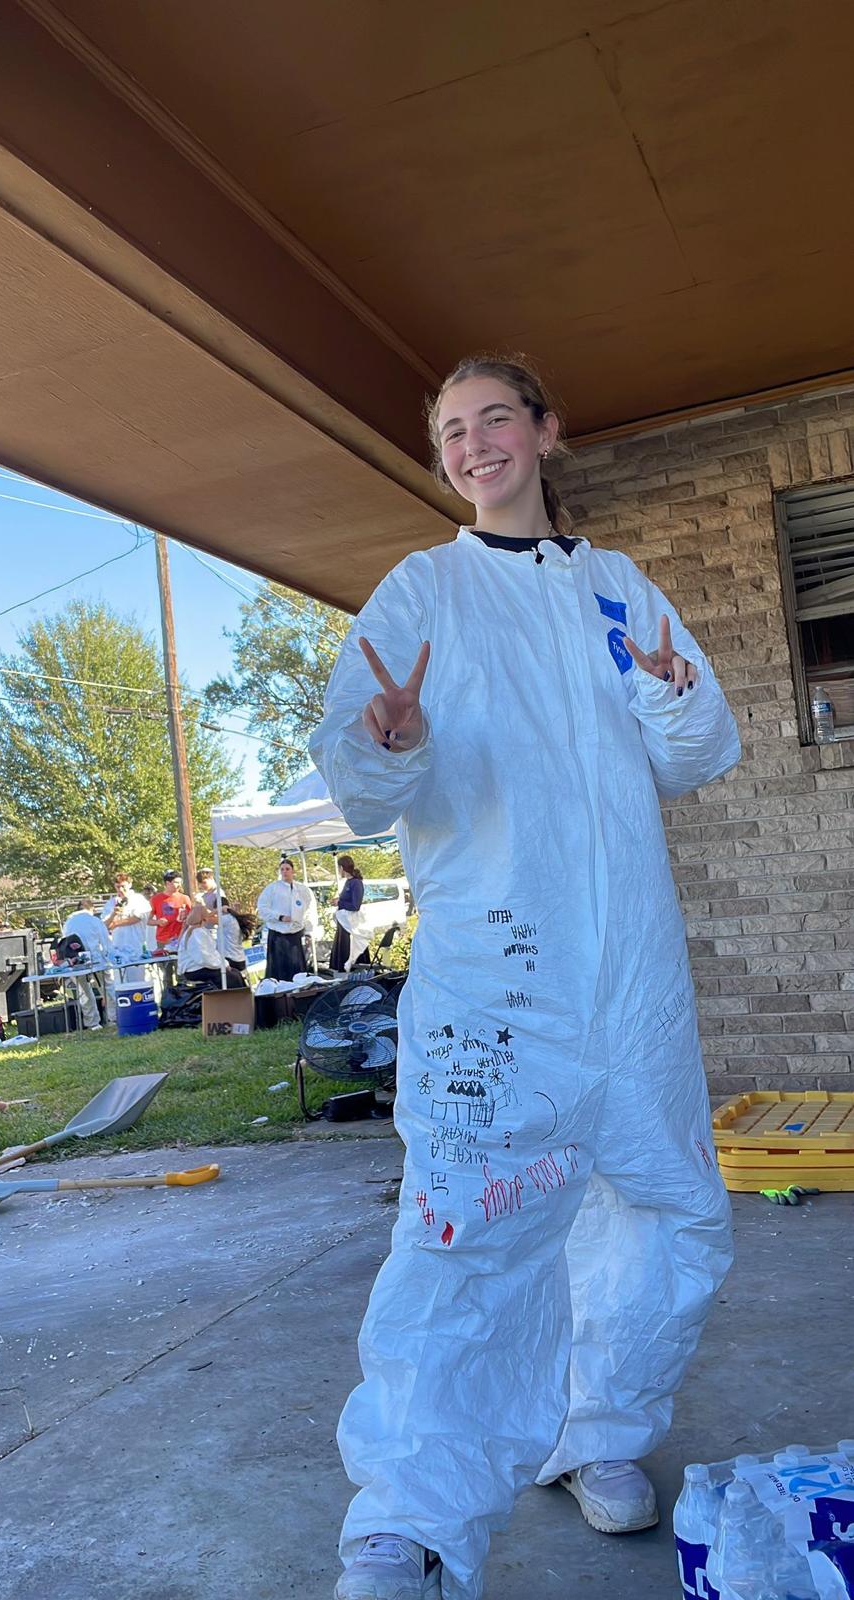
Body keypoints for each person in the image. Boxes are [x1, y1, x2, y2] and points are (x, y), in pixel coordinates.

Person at [310, 354, 742, 1600]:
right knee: (463, 1233)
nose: (473, 444)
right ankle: (407, 1521)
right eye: (452, 430)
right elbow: (360, 773)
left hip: (634, 979)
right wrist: (392, 741)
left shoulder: (619, 587)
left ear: (546, 431)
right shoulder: (424, 590)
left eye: (495, 417)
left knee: (669, 1214)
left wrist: (671, 697)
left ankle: (597, 1432)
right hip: (497, 982)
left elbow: (696, 751)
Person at [256, 859, 317, 981]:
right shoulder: (272, 888)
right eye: (282, 869)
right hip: (278, 935)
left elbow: (310, 910)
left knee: (297, 970)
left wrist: (309, 932)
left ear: (293, 871)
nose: (285, 872)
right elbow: (262, 908)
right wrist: (279, 917)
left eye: (287, 869)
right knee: (279, 971)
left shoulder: (302, 889)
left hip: (296, 934)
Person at [60, 898, 115, 1030]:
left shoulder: (68, 922)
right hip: (96, 959)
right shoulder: (94, 920)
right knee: (107, 987)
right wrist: (109, 958)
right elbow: (106, 942)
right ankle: (114, 1017)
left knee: (83, 990)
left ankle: (92, 1022)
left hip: (76, 961)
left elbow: (65, 942)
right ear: (92, 909)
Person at [101, 871, 151, 986]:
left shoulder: (138, 899)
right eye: (118, 887)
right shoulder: (111, 903)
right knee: (120, 983)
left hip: (136, 947)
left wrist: (116, 923)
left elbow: (137, 917)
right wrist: (113, 914)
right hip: (118, 948)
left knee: (138, 982)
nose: (121, 889)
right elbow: (105, 925)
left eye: (123, 886)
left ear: (129, 884)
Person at [330, 855, 371, 972]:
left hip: (351, 926)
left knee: (350, 951)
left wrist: (339, 902)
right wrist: (339, 901)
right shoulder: (348, 882)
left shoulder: (356, 883)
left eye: (339, 868)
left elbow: (355, 906)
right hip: (344, 924)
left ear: (342, 868)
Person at [175, 903, 222, 983]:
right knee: (229, 976)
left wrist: (223, 964)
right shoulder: (196, 933)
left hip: (198, 967)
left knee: (233, 973)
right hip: (194, 969)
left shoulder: (198, 931)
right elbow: (203, 957)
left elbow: (211, 952)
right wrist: (220, 965)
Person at [150, 871, 192, 952]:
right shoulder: (155, 899)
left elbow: (192, 918)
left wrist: (186, 917)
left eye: (180, 882)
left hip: (180, 938)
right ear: (167, 883)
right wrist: (158, 922)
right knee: (163, 959)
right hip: (163, 940)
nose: (179, 885)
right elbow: (148, 921)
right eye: (176, 882)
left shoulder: (185, 898)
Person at [217, 896, 255, 976]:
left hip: (230, 959)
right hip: (240, 958)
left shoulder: (225, 919)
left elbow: (206, 919)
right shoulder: (235, 918)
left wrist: (216, 910)